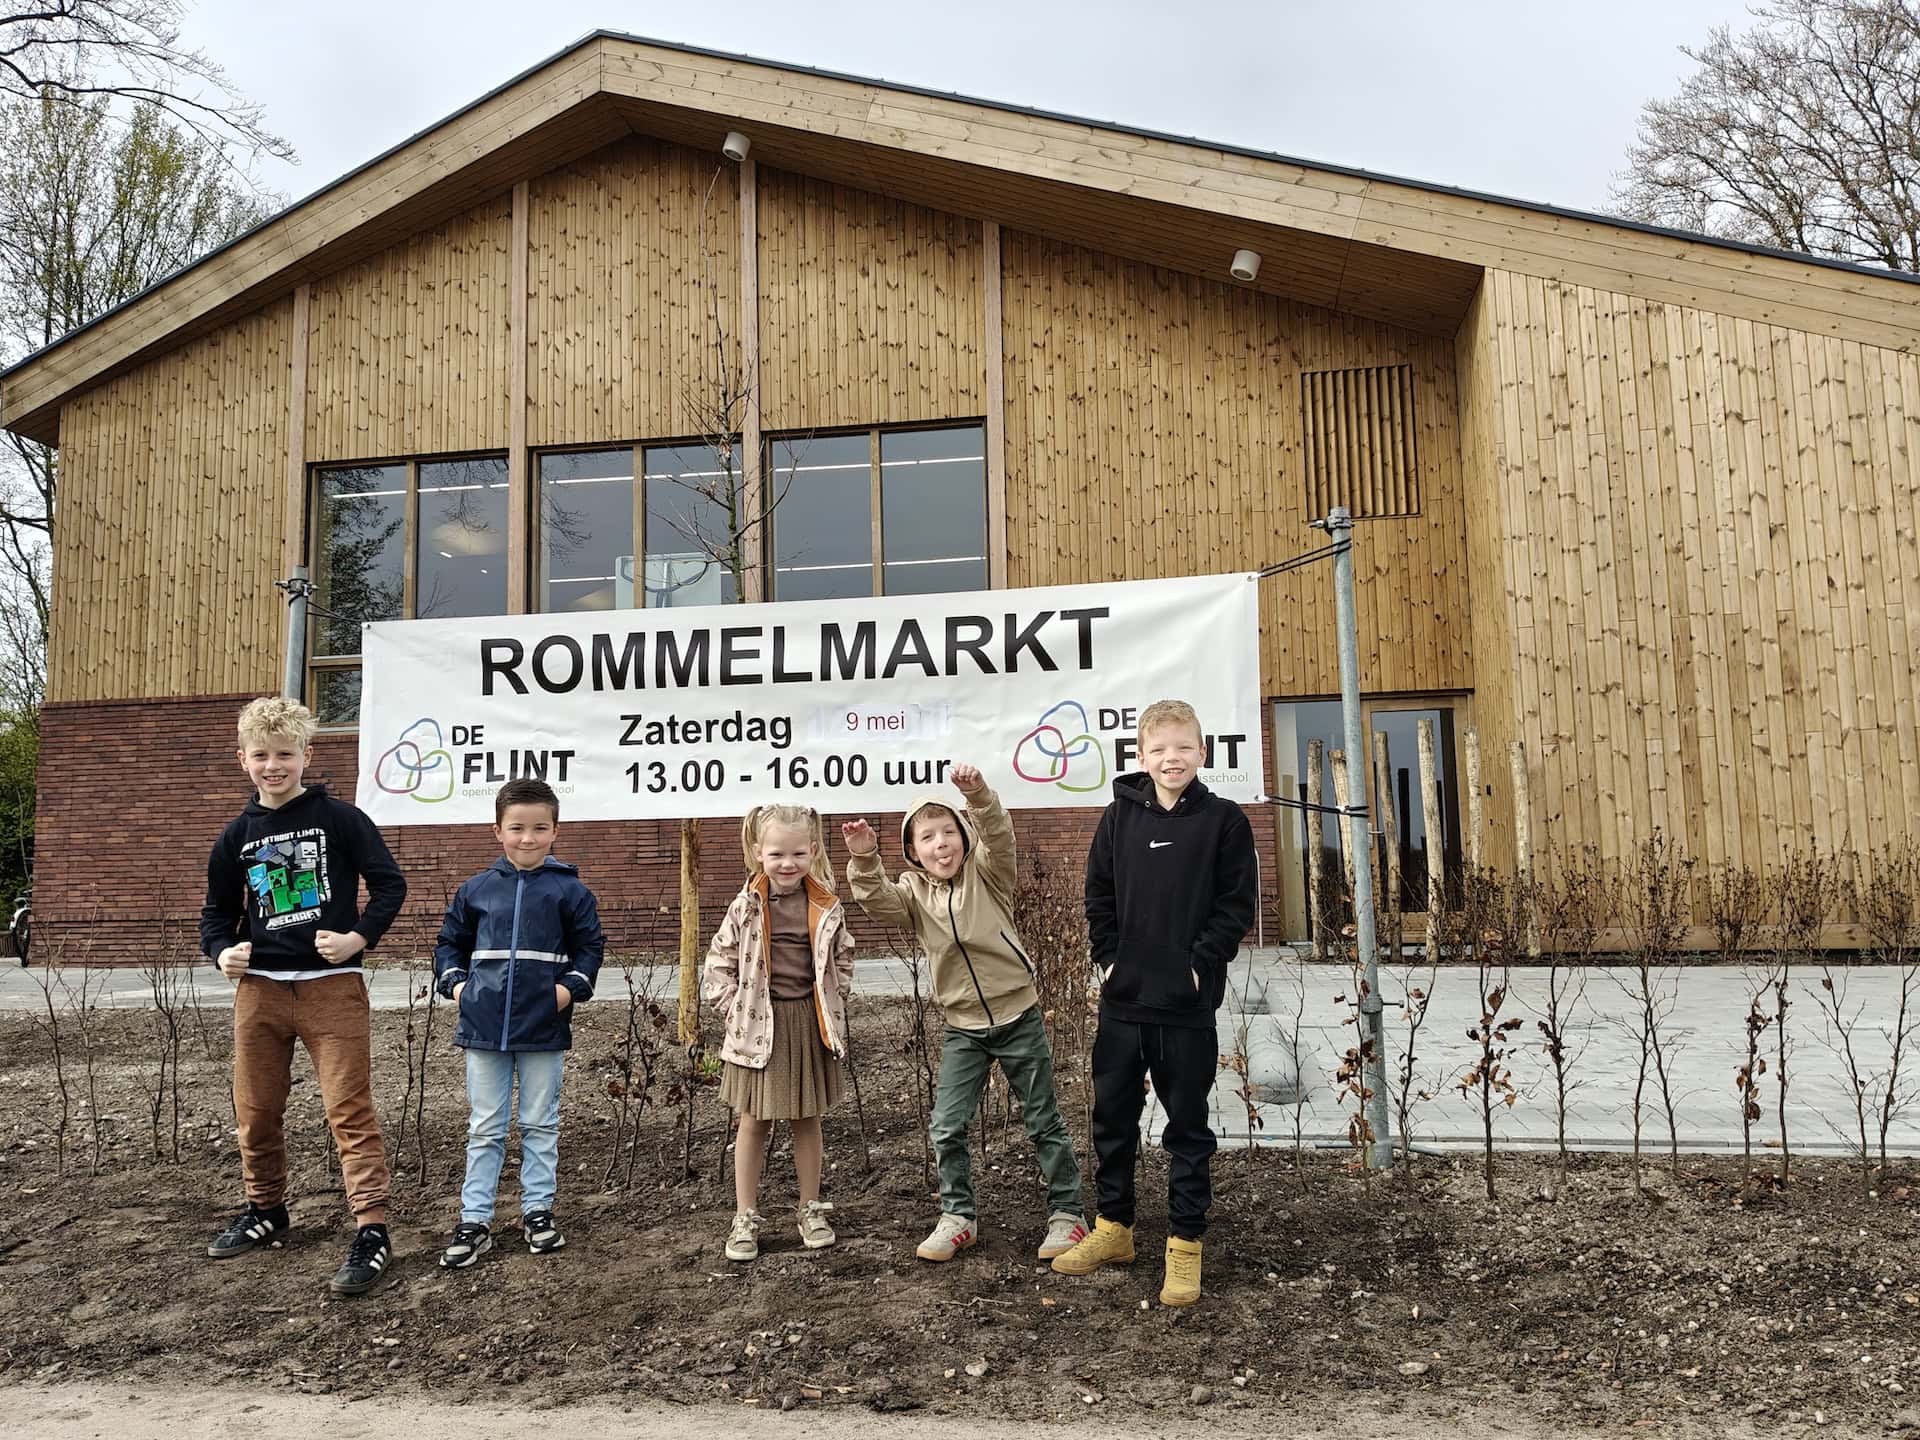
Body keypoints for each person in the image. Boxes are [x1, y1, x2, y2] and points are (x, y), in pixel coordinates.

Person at [1050, 700, 1256, 1306]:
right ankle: (1114, 1229)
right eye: (1160, 749)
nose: (1172, 758)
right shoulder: (1119, 817)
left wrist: (1200, 964)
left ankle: (1185, 1246)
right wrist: (1108, 958)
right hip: (1123, 1003)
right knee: (1112, 1122)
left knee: (1187, 1130)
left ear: (1203, 752)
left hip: (1186, 1009)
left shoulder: (1224, 821)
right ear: (1141, 756)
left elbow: (1235, 906)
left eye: (1184, 747)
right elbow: (1099, 895)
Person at [199, 696, 406, 1297]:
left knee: (348, 1110)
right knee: (255, 1110)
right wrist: (222, 952)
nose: (274, 766)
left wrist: (357, 938)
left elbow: (389, 885)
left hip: (331, 991)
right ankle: (265, 1209)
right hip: (260, 993)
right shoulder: (235, 837)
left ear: (307, 756)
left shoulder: (340, 819)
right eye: (261, 755)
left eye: (285, 754)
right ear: (242, 759)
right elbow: (216, 915)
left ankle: (371, 1230)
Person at [844, 763, 1087, 1263]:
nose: (941, 844)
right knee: (947, 1126)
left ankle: (1068, 1214)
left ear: (964, 836)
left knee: (1042, 1120)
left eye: (949, 832)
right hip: (964, 1029)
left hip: (1018, 1017)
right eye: (927, 837)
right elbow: (877, 900)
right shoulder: (913, 895)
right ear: (913, 852)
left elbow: (998, 833)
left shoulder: (989, 873)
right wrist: (865, 858)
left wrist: (977, 796)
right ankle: (958, 1217)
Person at [432, 777, 604, 1267]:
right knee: (485, 1127)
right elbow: (449, 945)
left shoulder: (570, 891)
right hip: (483, 1027)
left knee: (540, 1123)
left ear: (555, 831)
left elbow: (590, 948)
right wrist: (459, 988)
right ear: (497, 831)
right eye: (517, 828)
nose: (528, 838)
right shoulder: (476, 890)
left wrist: (566, 991)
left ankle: (538, 1213)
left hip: (543, 1026)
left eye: (539, 828)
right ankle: (474, 1220)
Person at [704, 804, 856, 1262]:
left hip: (808, 1023)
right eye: (776, 854)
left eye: (797, 854)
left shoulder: (826, 905)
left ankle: (811, 1208)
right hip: (757, 1026)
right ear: (758, 853)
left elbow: (843, 956)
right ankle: (745, 1214)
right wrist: (734, 1009)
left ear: (813, 851)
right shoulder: (744, 906)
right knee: (753, 1120)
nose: (787, 863)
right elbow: (719, 962)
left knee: (807, 1118)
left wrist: (835, 997)